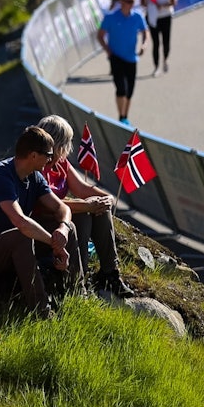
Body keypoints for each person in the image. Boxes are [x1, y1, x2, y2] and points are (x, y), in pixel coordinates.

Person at [0, 126, 80, 318]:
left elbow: (62, 208)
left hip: (8, 246)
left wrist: (62, 231)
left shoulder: (34, 176)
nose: (51, 160)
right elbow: (21, 221)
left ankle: (75, 292)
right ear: (33, 156)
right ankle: (41, 310)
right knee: (21, 237)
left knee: (68, 226)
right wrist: (53, 243)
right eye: (48, 155)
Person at [35, 115, 134, 298]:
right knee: (83, 215)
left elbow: (82, 188)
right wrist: (87, 206)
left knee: (99, 211)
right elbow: (47, 203)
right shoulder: (39, 165)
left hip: (59, 217)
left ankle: (110, 272)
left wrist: (106, 198)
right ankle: (80, 274)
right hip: (44, 221)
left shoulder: (61, 163)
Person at [97, 0, 147, 123]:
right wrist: (108, 50)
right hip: (116, 57)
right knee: (121, 88)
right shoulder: (111, 17)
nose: (131, 3)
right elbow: (100, 35)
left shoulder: (137, 17)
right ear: (121, 2)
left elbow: (145, 32)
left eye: (133, 1)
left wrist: (144, 45)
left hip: (131, 58)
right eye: (128, 1)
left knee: (130, 91)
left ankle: (125, 115)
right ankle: (121, 117)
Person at [142, 0, 175, 76]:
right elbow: (142, 3)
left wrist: (164, 5)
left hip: (165, 16)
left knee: (166, 41)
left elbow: (173, 2)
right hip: (152, 18)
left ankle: (165, 59)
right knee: (156, 43)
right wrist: (148, 2)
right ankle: (156, 67)